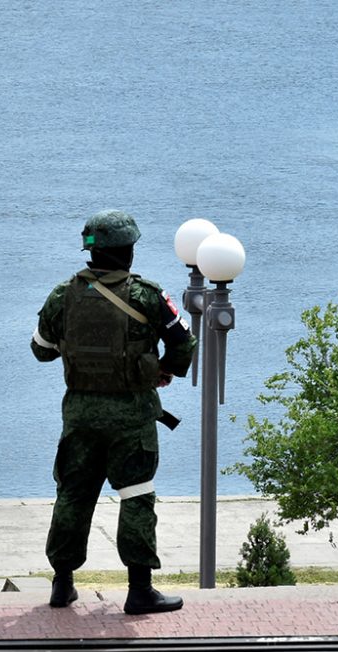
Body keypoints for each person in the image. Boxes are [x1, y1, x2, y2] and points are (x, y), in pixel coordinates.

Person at [31, 209, 197, 615]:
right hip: (132, 418)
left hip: (81, 418)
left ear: (90, 251)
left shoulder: (62, 295)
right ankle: (140, 589)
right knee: (136, 496)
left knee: (72, 495)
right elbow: (184, 342)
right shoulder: (147, 296)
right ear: (129, 252)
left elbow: (41, 350)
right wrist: (165, 371)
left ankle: (62, 583)